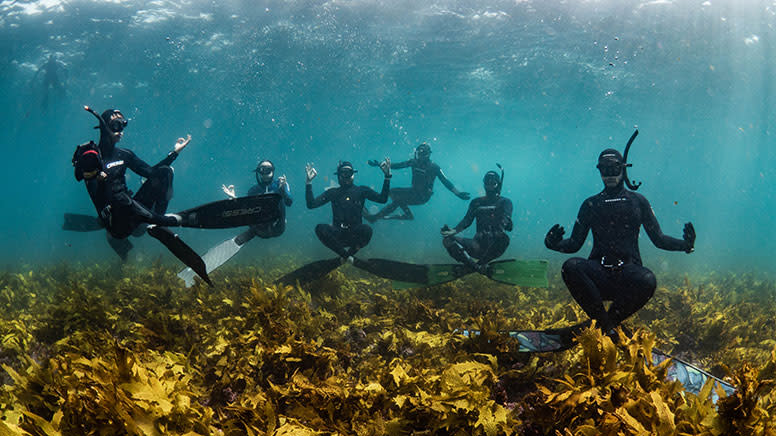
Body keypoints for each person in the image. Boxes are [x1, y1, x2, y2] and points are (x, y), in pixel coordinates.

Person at [544, 148, 695, 333]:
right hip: (597, 275)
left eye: (613, 169)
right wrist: (554, 245)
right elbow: (574, 244)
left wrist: (685, 245)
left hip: (629, 277)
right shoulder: (591, 204)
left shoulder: (638, 201)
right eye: (603, 170)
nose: (609, 175)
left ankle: (604, 324)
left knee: (648, 279)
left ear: (623, 169)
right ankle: (608, 326)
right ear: (599, 171)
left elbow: (659, 239)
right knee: (570, 266)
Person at [77, 107, 189, 259]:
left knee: (165, 171)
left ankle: (158, 222)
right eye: (116, 125)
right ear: (104, 127)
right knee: (120, 199)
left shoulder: (124, 154)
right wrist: (96, 179)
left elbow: (152, 173)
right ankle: (159, 220)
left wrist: (174, 153)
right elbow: (94, 193)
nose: (121, 131)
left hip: (134, 215)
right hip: (117, 225)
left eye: (123, 125)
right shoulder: (91, 157)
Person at [305, 159, 391, 262]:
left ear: (353, 174)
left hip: (355, 235)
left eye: (349, 172)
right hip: (337, 235)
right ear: (338, 175)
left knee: (367, 230)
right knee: (320, 228)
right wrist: (308, 182)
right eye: (343, 173)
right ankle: (347, 257)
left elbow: (382, 199)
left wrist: (387, 177)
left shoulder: (361, 191)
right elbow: (311, 204)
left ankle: (346, 256)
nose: (346, 176)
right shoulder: (333, 193)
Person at [364, 142, 470, 221]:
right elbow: (398, 165)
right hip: (413, 191)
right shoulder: (414, 162)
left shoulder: (433, 167)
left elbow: (445, 181)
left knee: (398, 200)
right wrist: (379, 164)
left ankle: (377, 218)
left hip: (423, 197)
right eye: (418, 153)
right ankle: (405, 215)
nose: (419, 156)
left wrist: (458, 193)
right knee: (392, 192)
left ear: (428, 154)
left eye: (422, 153)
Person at [441, 168, 513, 274]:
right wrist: (454, 231)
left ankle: (475, 265)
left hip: (494, 246)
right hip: (476, 245)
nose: (490, 186)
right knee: (447, 240)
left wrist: (504, 225)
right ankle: (476, 267)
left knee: (504, 238)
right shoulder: (476, 202)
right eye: (487, 183)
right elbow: (467, 221)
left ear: (498, 184)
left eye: (493, 183)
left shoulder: (505, 202)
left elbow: (506, 220)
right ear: (484, 184)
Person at [222, 159, 293, 243]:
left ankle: (250, 233)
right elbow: (247, 211)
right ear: (258, 172)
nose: (265, 173)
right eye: (262, 170)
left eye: (268, 169)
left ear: (273, 171)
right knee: (250, 209)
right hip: (260, 231)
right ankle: (250, 233)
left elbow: (289, 202)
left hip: (278, 228)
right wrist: (235, 200)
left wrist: (283, 191)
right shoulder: (253, 191)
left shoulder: (280, 184)